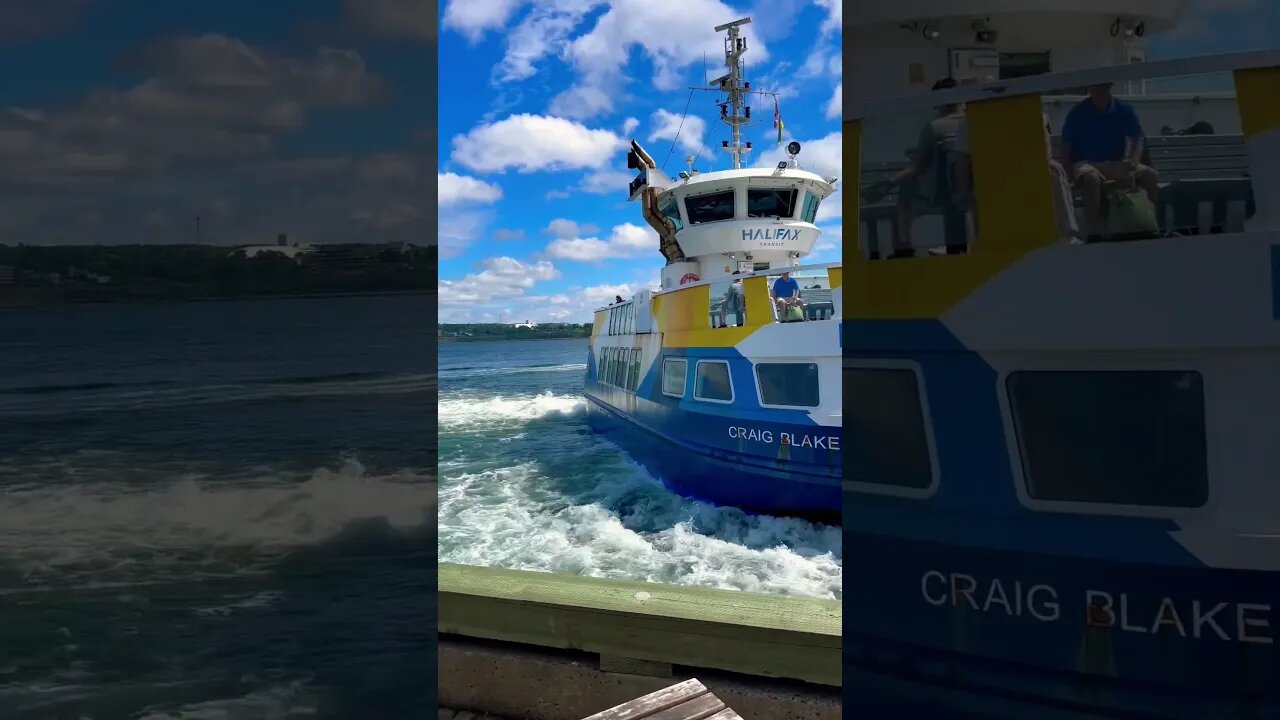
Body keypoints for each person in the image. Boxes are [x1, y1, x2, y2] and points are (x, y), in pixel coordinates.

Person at [951, 112, 1082, 245]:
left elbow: (1045, 154)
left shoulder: (1035, 113)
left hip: (1025, 175)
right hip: (991, 180)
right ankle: (982, 243)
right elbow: (962, 158)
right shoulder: (971, 120)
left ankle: (1068, 234)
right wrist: (962, 188)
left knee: (1055, 169)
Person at [1060, 83, 1159, 239]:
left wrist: (1133, 162)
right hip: (1087, 164)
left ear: (1108, 89)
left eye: (1101, 88)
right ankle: (1093, 233)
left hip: (1115, 163)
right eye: (1094, 89)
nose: (1097, 92)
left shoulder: (1123, 109)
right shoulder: (1077, 113)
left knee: (1150, 175)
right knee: (1091, 178)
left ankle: (1149, 225)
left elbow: (1137, 138)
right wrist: (1068, 176)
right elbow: (1065, 147)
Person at [887, 78, 966, 258]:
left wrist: (891, 180)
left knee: (902, 197)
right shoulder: (972, 123)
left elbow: (917, 167)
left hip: (941, 192)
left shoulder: (934, 127)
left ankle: (903, 249)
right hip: (968, 189)